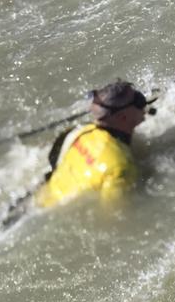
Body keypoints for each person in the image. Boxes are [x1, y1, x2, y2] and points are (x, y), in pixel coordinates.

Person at [35, 81, 152, 209]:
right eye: (139, 100)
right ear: (123, 117)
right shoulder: (119, 169)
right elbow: (114, 215)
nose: (144, 103)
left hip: (40, 200)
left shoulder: (79, 132)